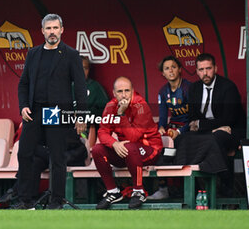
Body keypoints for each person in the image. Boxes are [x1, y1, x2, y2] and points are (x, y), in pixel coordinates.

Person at [17, 14, 87, 209]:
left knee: (57, 157)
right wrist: (23, 106)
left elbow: (80, 88)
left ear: (62, 30)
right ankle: (24, 200)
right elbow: (23, 83)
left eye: (56, 28)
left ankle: (56, 201)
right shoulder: (33, 53)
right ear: (42, 31)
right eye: (48, 28)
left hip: (56, 111)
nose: (52, 32)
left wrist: (81, 115)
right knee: (24, 153)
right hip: (35, 110)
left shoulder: (71, 54)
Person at [175, 53, 246, 196]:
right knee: (182, 139)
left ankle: (227, 187)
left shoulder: (228, 87)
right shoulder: (194, 88)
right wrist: (210, 127)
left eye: (208, 68)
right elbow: (193, 119)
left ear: (215, 68)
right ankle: (191, 190)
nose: (205, 73)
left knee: (217, 137)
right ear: (196, 71)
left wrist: (203, 125)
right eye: (201, 70)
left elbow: (229, 118)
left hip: (232, 131)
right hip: (209, 131)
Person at [92, 76, 163, 210]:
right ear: (114, 93)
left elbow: (134, 137)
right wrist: (114, 144)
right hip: (128, 152)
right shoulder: (110, 106)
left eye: (127, 91)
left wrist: (121, 115)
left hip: (150, 150)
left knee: (129, 146)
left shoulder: (141, 105)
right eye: (120, 91)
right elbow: (102, 132)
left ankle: (139, 191)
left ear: (132, 91)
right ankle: (113, 191)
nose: (124, 95)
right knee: (97, 149)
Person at [0, 128, 88, 205]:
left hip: (71, 156)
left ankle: (15, 191)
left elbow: (73, 146)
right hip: (52, 156)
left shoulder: (67, 123)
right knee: (35, 161)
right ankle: (29, 198)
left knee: (33, 151)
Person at [148, 56, 191, 200]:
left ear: (179, 69)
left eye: (173, 67)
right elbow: (162, 117)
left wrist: (180, 131)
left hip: (189, 128)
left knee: (178, 146)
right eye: (167, 68)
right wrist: (161, 128)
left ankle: (187, 188)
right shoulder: (162, 91)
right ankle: (163, 188)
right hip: (173, 128)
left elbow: (194, 117)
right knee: (159, 146)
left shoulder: (188, 88)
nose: (170, 70)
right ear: (163, 73)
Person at [80, 56, 109, 132]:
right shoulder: (64, 86)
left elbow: (107, 111)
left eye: (85, 68)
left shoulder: (94, 86)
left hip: (88, 129)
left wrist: (86, 115)